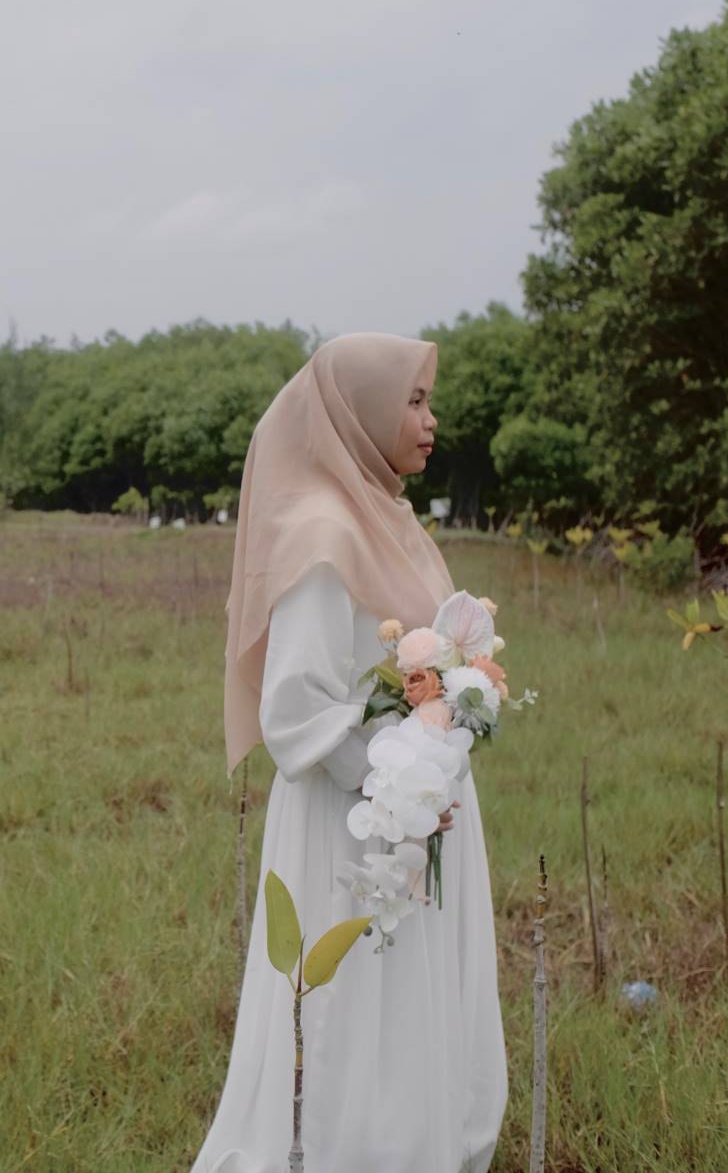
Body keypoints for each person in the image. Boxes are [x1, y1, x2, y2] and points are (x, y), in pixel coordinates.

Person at [194, 334, 506, 1172]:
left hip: (419, 803)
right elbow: (295, 707)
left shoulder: (390, 518)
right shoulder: (324, 534)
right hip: (355, 816)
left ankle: (414, 1141)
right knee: (357, 994)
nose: (430, 420)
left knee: (407, 992)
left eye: (429, 400)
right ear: (360, 411)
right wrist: (401, 778)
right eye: (413, 400)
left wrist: (448, 731)